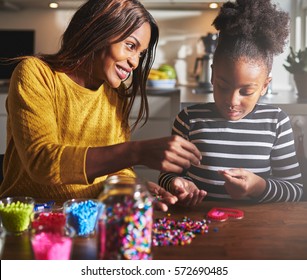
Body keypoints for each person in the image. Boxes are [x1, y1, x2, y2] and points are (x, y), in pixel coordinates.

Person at [0, 0, 202, 211]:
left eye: (140, 54)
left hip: (90, 216)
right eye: (131, 46)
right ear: (99, 31)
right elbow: (42, 161)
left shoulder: (116, 95)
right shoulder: (36, 73)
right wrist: (136, 152)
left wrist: (133, 190)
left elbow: (119, 172)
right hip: (28, 217)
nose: (135, 62)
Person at [159, 0, 304, 205]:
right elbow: (166, 175)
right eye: (223, 87)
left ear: (264, 86)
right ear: (212, 75)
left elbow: (295, 190)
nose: (232, 101)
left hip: (257, 230)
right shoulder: (188, 120)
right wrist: (177, 184)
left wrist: (258, 187)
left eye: (246, 91)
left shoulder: (276, 123)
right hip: (203, 226)